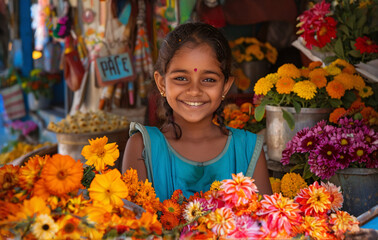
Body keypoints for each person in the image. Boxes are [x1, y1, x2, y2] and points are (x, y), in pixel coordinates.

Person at [122, 22, 272, 201]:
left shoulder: (247, 149)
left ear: (225, 86)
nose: (194, 90)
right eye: (181, 78)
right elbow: (134, 224)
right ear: (162, 83)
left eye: (208, 79)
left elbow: (266, 224)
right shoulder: (142, 147)